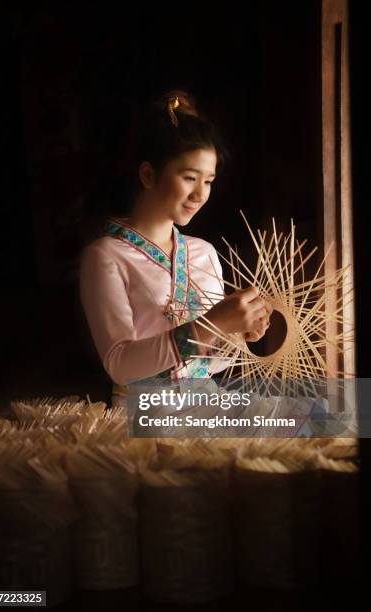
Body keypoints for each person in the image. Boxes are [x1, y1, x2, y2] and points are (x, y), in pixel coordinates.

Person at [79, 89, 272, 406]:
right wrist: (214, 323)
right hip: (143, 416)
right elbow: (121, 365)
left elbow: (211, 363)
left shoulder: (204, 252)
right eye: (189, 177)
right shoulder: (105, 256)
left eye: (208, 181)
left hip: (204, 405)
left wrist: (242, 334)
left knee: (343, 415)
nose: (200, 194)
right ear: (148, 174)